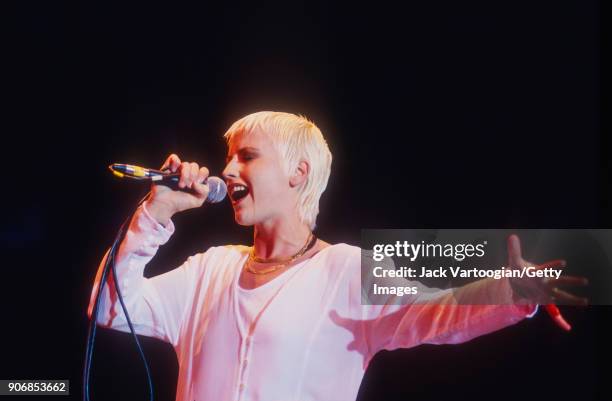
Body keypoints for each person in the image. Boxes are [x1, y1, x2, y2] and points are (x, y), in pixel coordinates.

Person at [88, 111, 587, 401]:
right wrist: (156, 213)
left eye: (247, 155)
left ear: (297, 173)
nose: (228, 169)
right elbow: (111, 308)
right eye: (228, 157)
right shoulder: (209, 270)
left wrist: (510, 291)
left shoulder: (345, 270)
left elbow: (435, 311)